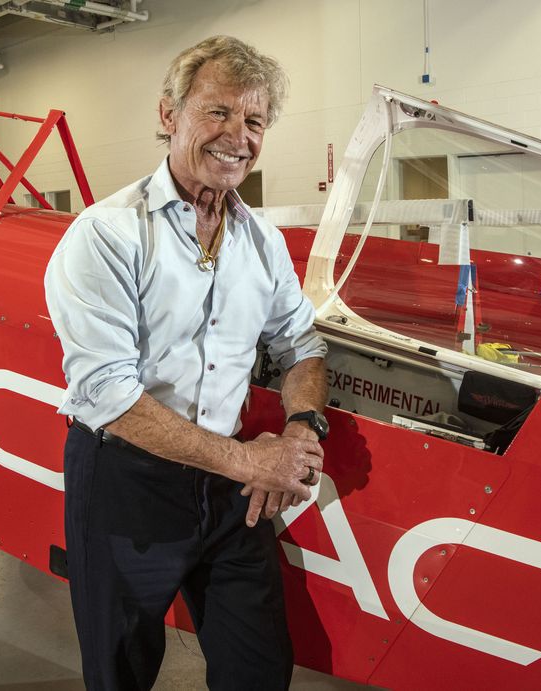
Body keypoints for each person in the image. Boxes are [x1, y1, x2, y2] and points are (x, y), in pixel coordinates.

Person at [44, 35, 329, 690]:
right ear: (170, 114)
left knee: (259, 666)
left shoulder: (263, 242)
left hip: (231, 486)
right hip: (126, 479)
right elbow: (107, 396)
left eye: (255, 120)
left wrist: (301, 428)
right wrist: (253, 461)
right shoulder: (106, 234)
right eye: (219, 112)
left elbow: (301, 342)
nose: (239, 135)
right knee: (120, 670)